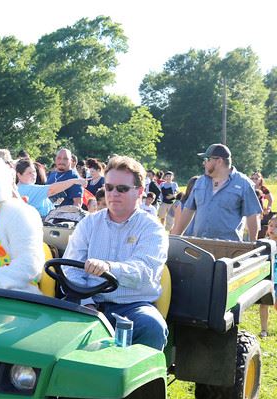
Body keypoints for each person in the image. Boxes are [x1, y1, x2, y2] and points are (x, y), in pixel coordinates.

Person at [63, 155, 169, 350]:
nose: (113, 194)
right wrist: (87, 303)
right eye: (109, 187)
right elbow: (71, 267)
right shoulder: (89, 223)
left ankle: (142, 380)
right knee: (47, 329)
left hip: (131, 306)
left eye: (122, 189)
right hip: (88, 302)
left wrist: (109, 268)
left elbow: (144, 272)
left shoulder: (151, 228)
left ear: (140, 192)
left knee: (152, 327)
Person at [171, 144, 261, 241]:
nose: (204, 163)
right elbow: (188, 210)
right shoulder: (200, 182)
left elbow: (252, 215)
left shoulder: (244, 184)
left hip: (229, 248)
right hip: (199, 246)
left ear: (219, 161)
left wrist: (253, 244)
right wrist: (176, 238)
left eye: (207, 159)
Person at [15, 159, 86, 218]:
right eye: (29, 173)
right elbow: (52, 189)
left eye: (34, 171)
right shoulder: (25, 188)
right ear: (19, 175)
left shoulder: (18, 188)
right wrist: (74, 181)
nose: (33, 175)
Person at [259, 217, 277, 337]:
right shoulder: (263, 244)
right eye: (271, 226)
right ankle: (264, 330)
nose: (273, 229)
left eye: (276, 227)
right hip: (266, 278)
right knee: (264, 303)